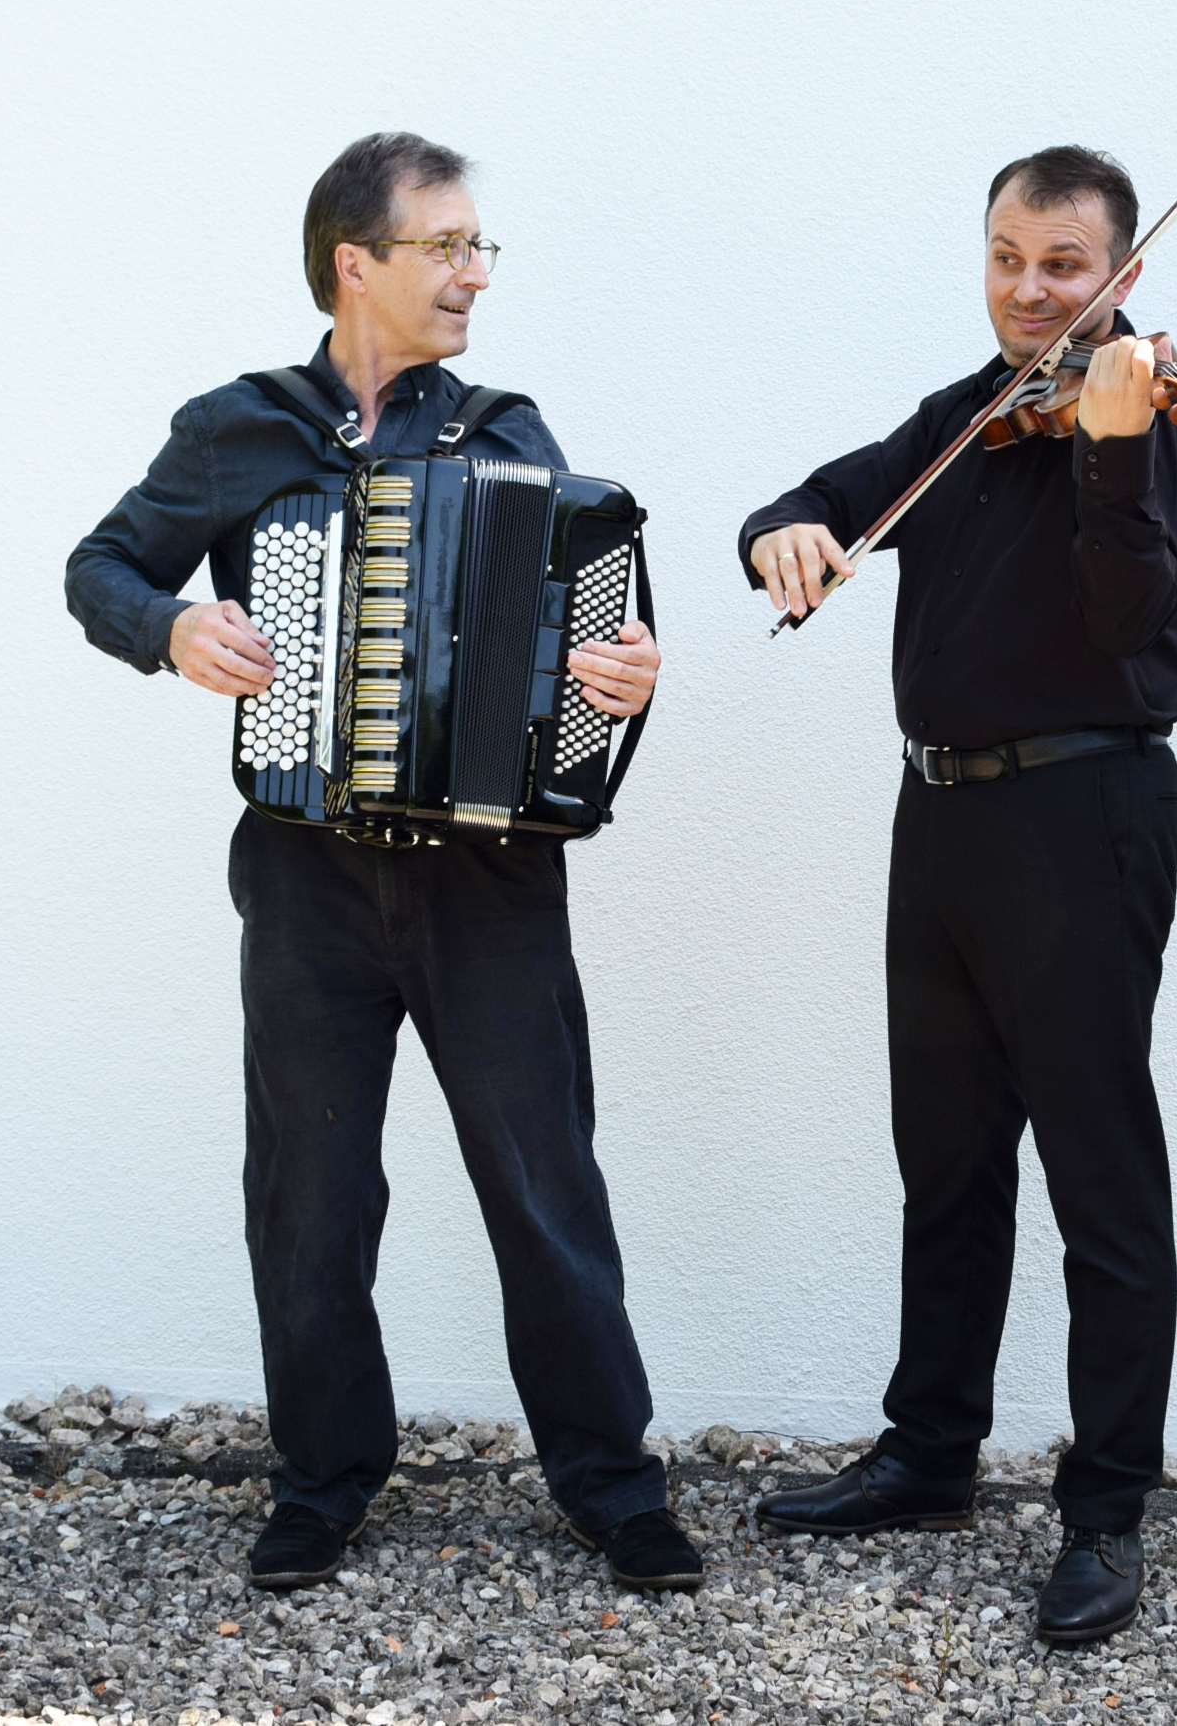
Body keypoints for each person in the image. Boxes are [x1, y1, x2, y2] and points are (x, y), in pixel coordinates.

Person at [66, 131, 702, 1594]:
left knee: (544, 1183)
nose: (476, 273)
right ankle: (322, 1479)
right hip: (308, 878)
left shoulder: (504, 429)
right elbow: (101, 567)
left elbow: (574, 630)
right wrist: (172, 627)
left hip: (488, 885)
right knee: (311, 1192)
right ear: (356, 264)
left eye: (482, 247)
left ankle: (615, 1487)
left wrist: (618, 673)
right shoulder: (240, 428)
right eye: (447, 246)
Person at [739, 146, 1177, 1643]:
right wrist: (782, 532)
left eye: (1063, 265)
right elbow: (822, 498)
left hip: (1081, 817)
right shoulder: (967, 412)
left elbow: (1130, 618)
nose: (1029, 289)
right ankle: (931, 1453)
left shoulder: (1143, 417)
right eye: (1008, 257)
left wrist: (1114, 453)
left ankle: (1108, 1508)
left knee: (1098, 1171)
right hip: (940, 817)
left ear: (1122, 273)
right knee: (945, 1158)